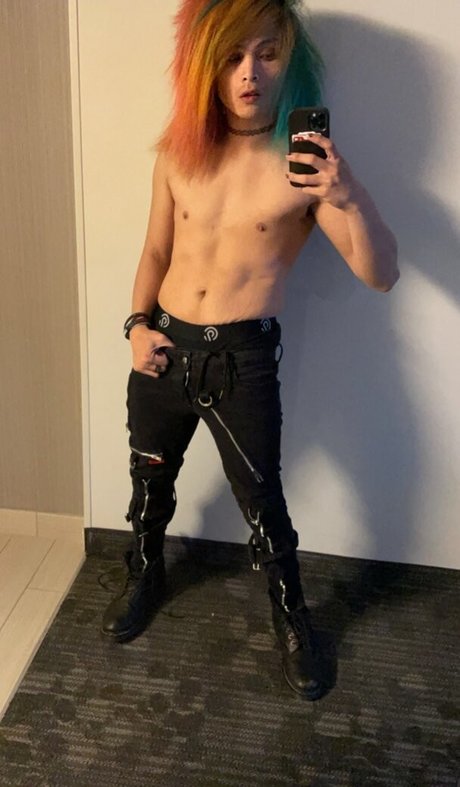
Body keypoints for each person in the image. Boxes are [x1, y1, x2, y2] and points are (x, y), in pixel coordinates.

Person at [101, 0, 399, 702]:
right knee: (149, 480)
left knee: (263, 501)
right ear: (204, 63)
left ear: (289, 59)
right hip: (164, 346)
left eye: (266, 53)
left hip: (244, 359)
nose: (249, 74)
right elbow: (154, 250)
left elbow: (381, 275)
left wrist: (349, 193)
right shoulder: (179, 153)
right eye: (232, 56)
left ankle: (292, 618)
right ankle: (145, 572)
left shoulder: (304, 168)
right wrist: (136, 325)